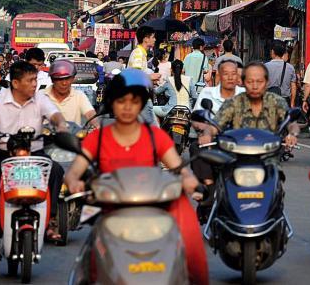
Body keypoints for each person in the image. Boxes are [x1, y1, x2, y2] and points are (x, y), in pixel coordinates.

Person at [63, 69, 208, 285]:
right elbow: (75, 170)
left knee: (189, 235)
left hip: (154, 208)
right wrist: (74, 181)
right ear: (112, 103)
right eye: (121, 101)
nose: (127, 107)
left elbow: (178, 167)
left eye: (134, 101)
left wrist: (189, 180)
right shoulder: (98, 138)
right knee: (92, 264)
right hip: (111, 209)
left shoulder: (155, 135)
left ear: (141, 104)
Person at [0, 61, 67, 243]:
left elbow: (54, 114)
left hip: (34, 154)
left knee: (56, 170)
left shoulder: (40, 98)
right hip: (3, 156)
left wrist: (60, 124)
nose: (34, 84)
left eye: (35, 80)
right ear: (16, 83)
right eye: (30, 80)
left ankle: (50, 222)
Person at [201, 62, 300, 146]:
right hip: (238, 153)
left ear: (267, 83)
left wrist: (292, 135)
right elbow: (215, 125)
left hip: (269, 155)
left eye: (259, 82)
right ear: (243, 82)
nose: (255, 86)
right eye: (250, 82)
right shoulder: (234, 102)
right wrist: (207, 135)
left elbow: (291, 124)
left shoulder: (277, 102)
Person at [44, 59, 96, 125]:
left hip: (73, 131)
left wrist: (96, 124)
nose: (64, 83)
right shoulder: (42, 96)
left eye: (67, 78)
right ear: (52, 79)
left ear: (73, 78)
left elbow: (90, 113)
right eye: (60, 79)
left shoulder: (79, 96)